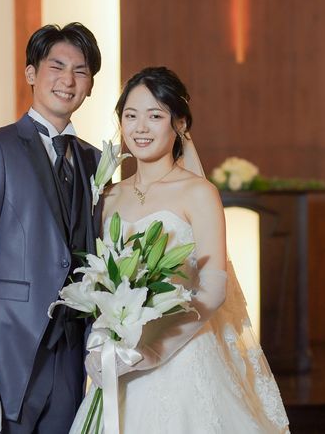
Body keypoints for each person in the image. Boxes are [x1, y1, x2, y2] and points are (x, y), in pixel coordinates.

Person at [76, 67, 290, 433]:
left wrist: (155, 350)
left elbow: (213, 288)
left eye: (155, 116)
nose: (140, 128)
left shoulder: (199, 193)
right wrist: (103, 346)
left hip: (185, 354)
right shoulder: (109, 196)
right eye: (131, 116)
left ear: (180, 124)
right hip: (122, 356)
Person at [0, 23, 103, 433]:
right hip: (6, 352)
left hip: (71, 354)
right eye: (57, 66)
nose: (68, 80)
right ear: (31, 73)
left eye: (81, 71)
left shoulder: (95, 161)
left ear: (90, 86)